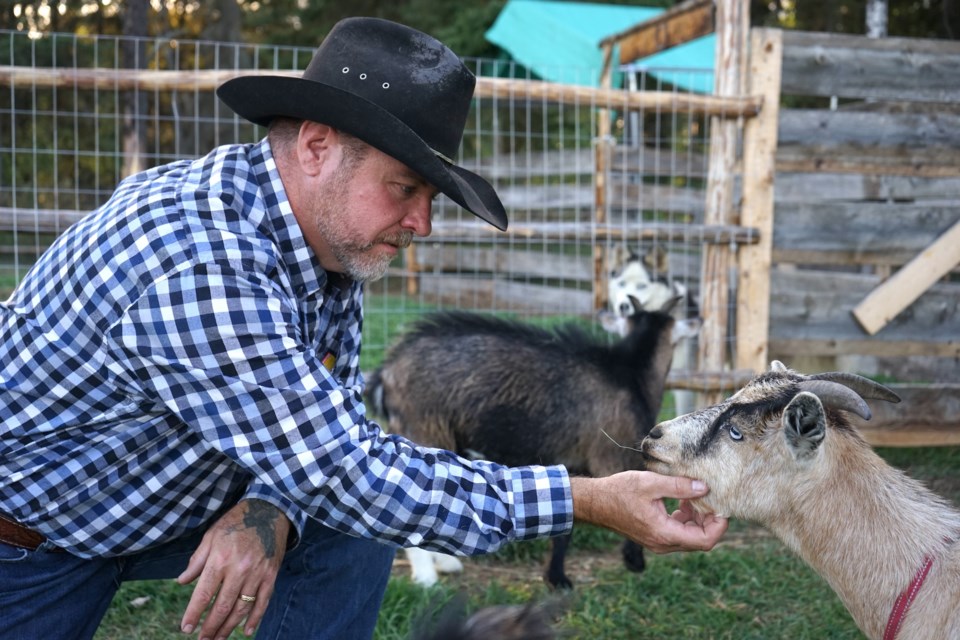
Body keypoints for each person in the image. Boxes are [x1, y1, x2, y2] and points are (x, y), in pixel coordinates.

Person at [0, 17, 727, 640]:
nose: (422, 224)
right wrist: (585, 496)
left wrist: (267, 506)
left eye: (430, 196)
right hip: (33, 537)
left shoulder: (324, 246)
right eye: (405, 189)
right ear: (317, 147)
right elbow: (349, 472)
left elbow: (333, 428)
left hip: (150, 500)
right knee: (359, 498)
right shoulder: (199, 261)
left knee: (349, 522)